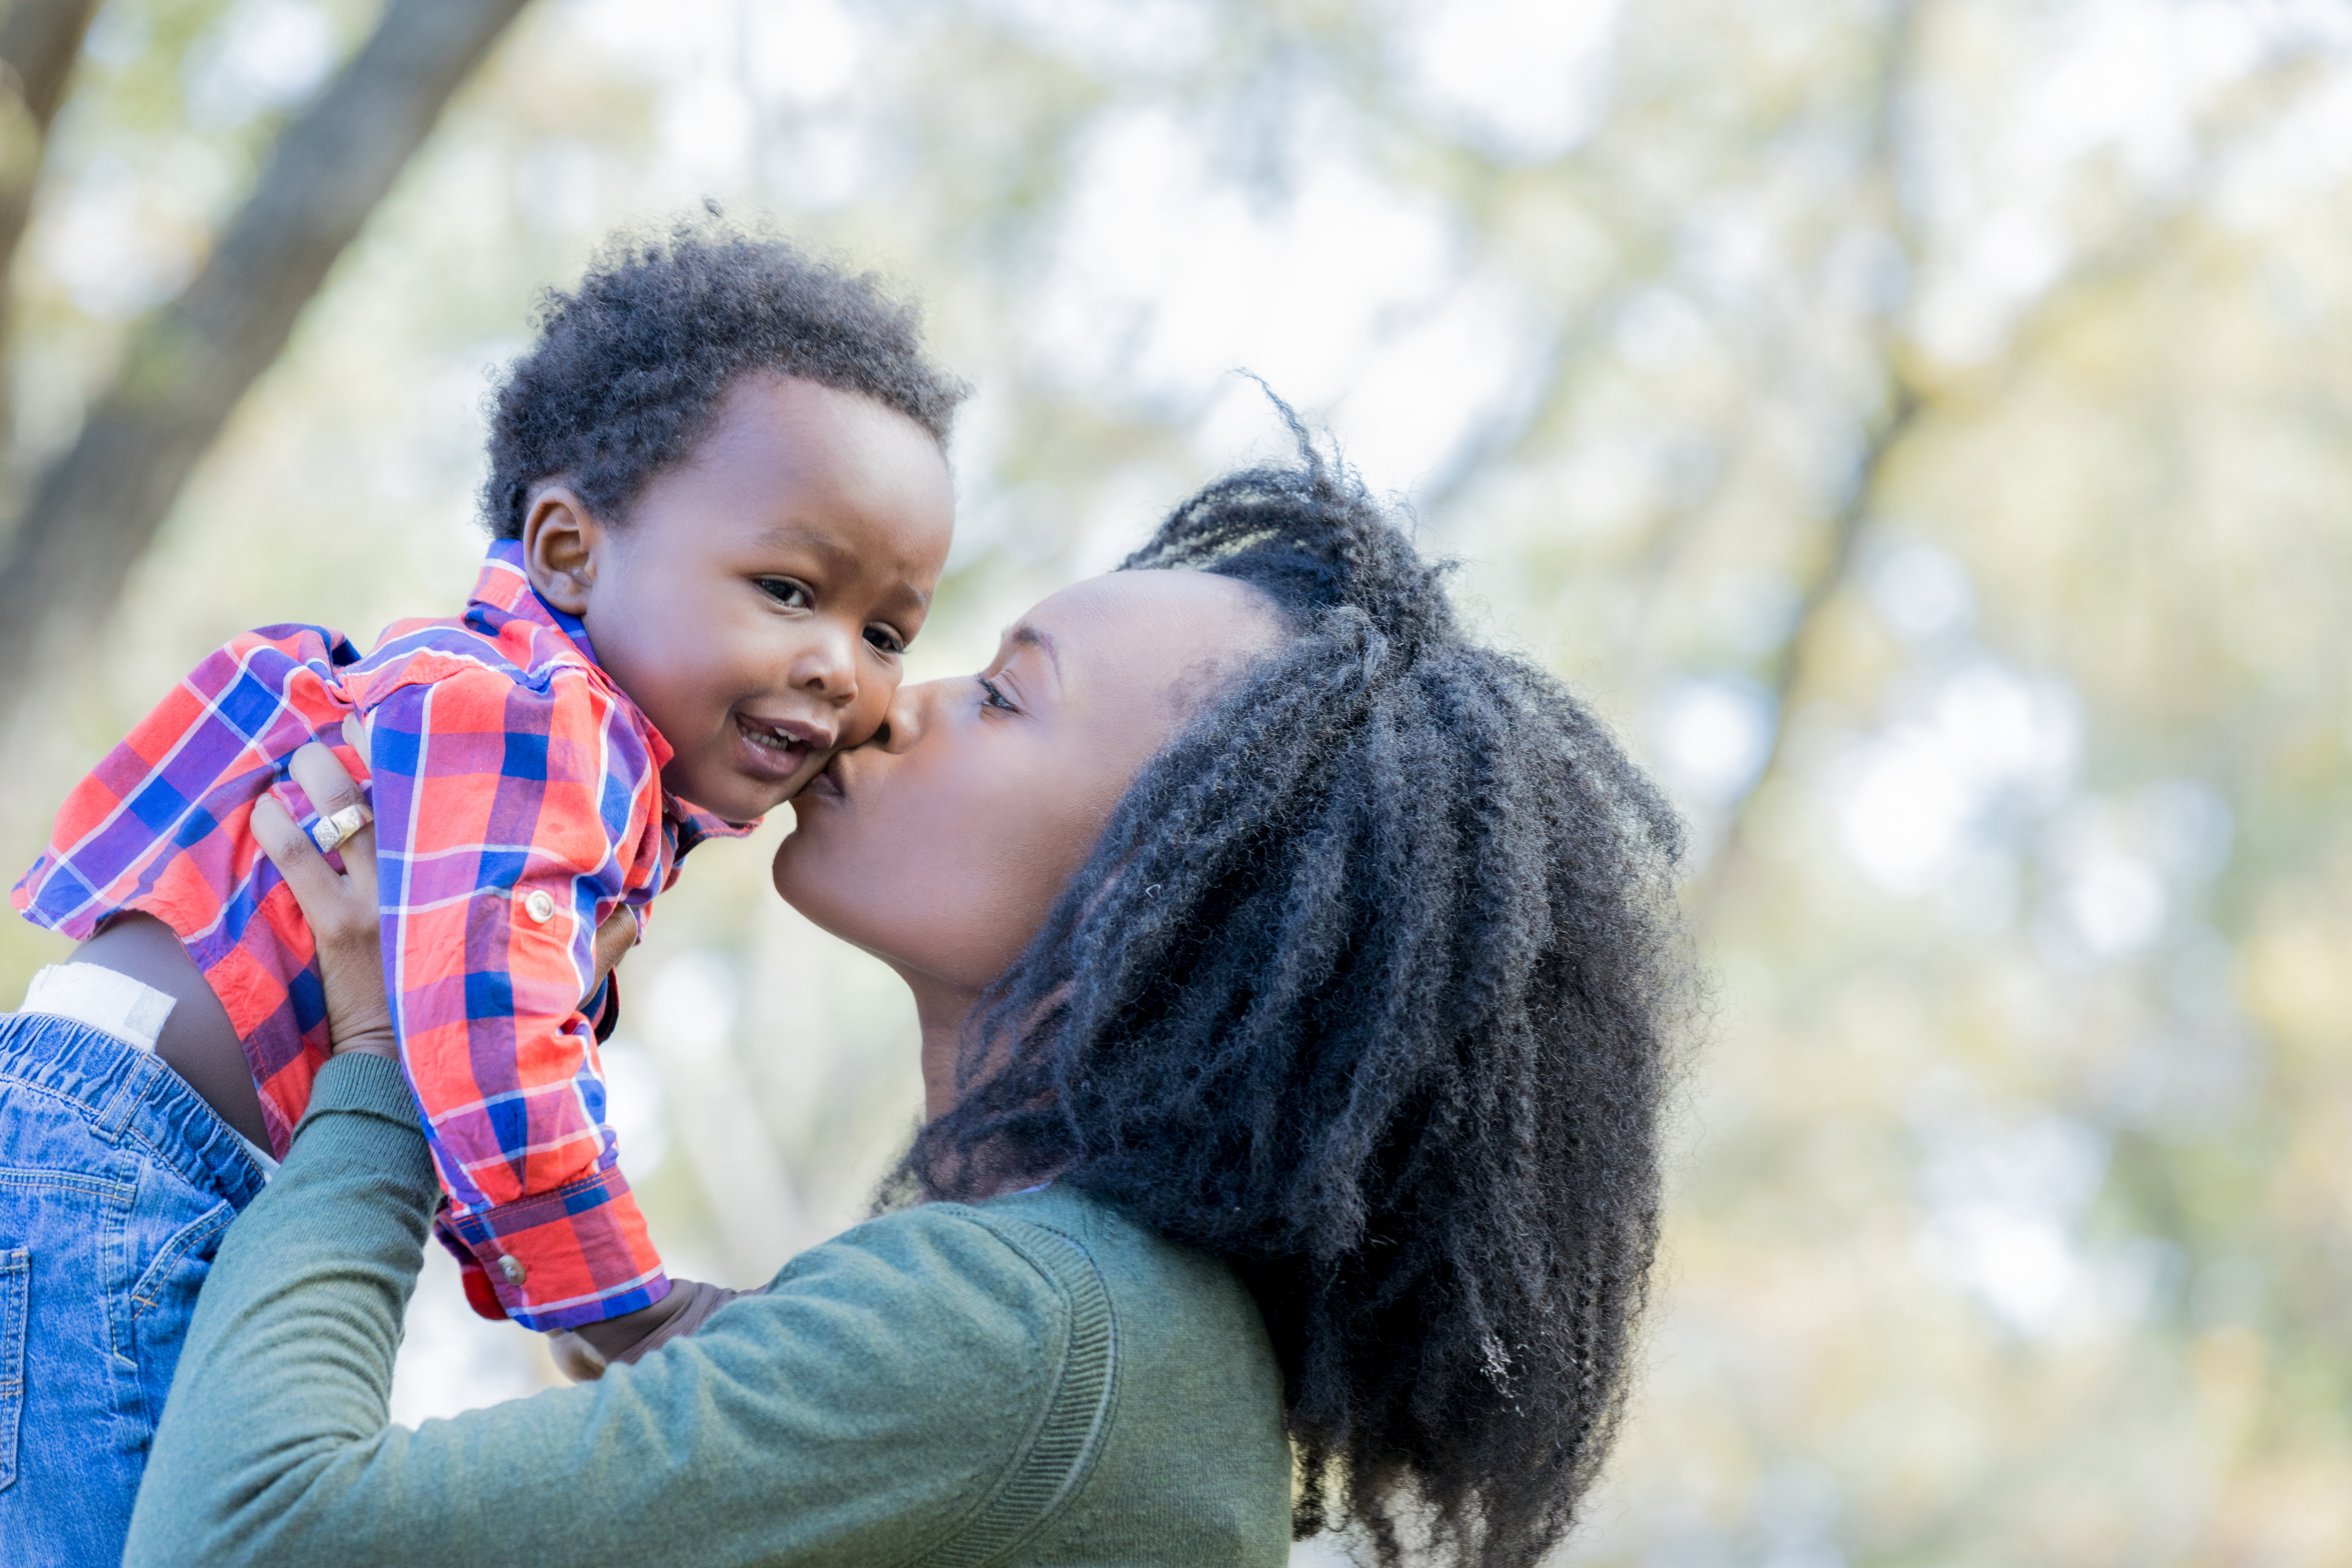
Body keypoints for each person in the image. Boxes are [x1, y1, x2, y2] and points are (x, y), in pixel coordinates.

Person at [126, 427, 1692, 1568]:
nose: (882, 697)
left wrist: (395, 1046)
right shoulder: (1093, 1334)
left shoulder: (1031, 1331)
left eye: (1002, 695)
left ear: (1181, 893)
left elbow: (247, 1535)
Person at [0, 218, 962, 1564]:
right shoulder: (535, 719)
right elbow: (489, 1035)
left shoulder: (548, 744)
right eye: (788, 588)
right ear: (567, 551)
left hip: (115, 1155)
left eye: (884, 632)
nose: (838, 669)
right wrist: (619, 1309)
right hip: (128, 1167)